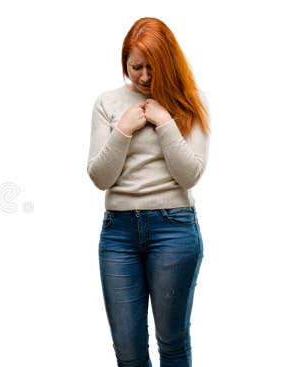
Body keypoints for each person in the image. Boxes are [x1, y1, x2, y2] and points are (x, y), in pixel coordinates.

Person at [87, 17, 209, 367]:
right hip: (118, 235)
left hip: (175, 229)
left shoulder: (190, 101)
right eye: (135, 67)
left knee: (172, 343)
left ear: (168, 62)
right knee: (128, 352)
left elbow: (190, 175)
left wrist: (166, 123)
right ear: (125, 62)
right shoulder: (107, 103)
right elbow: (99, 177)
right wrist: (122, 131)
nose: (143, 77)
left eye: (152, 68)